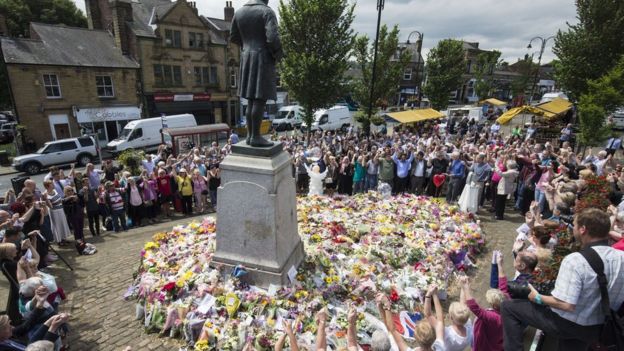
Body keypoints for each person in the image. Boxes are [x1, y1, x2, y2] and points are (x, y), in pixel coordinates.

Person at [502, 208, 624, 351]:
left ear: (583, 229)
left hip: (566, 324)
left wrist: (538, 297)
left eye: (575, 225)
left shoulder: (575, 260)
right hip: (597, 327)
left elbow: (566, 305)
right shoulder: (621, 258)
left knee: (508, 307)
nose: (574, 229)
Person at [230, 0, 282, 146]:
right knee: (259, 100)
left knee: (251, 101)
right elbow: (272, 38)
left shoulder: (239, 12)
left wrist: (247, 47)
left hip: (246, 57)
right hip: (262, 57)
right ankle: (256, 137)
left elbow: (233, 36)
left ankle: (250, 136)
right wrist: (278, 54)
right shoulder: (267, 11)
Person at [461, 276, 504, 351]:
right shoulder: (505, 310)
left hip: (485, 344)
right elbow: (504, 287)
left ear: (494, 305)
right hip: (496, 342)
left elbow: (475, 308)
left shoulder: (494, 317)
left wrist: (466, 288)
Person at [41, 181, 70, 246]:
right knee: (57, 226)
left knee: (62, 223)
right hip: (54, 212)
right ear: (47, 186)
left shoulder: (55, 190)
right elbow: (50, 206)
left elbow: (60, 200)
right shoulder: (45, 194)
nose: (53, 185)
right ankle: (59, 241)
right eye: (51, 184)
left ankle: (63, 238)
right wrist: (46, 199)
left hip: (61, 210)